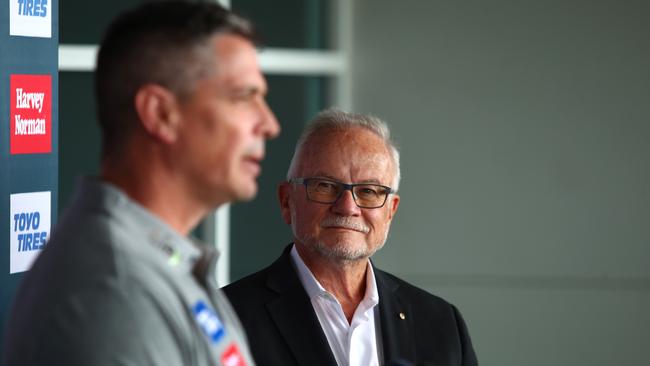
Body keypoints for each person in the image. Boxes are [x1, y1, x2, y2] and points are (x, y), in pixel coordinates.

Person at [3, 1, 279, 365]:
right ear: (160, 113)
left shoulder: (154, 262)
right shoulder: (113, 292)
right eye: (243, 97)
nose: (269, 124)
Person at [224, 109, 478, 366]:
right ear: (287, 200)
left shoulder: (441, 324)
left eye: (369, 191)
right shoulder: (227, 317)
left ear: (391, 210)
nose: (347, 207)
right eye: (324, 186)